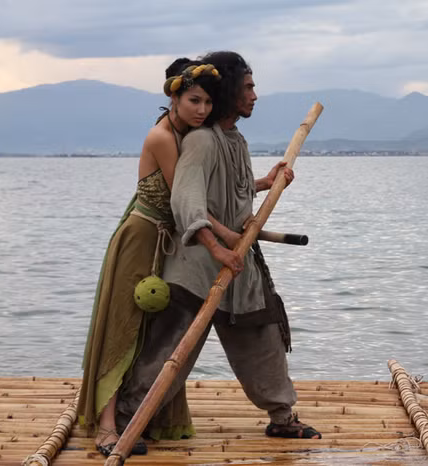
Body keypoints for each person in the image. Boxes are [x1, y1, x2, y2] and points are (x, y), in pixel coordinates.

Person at [154, 50, 322, 440]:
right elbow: (187, 201)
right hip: (196, 268)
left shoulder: (235, 140)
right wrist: (216, 247)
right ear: (229, 90)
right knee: (171, 351)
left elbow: (233, 193)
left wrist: (266, 182)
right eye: (247, 87)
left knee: (262, 333)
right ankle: (133, 417)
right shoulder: (201, 141)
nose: (254, 95)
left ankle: (282, 416)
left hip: (238, 262)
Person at [77, 57, 239, 458]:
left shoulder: (190, 135)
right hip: (140, 239)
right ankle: (107, 428)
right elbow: (187, 198)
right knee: (123, 330)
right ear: (174, 98)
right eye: (194, 101)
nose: (202, 110)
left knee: (154, 333)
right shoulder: (163, 137)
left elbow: (200, 190)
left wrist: (261, 182)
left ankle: (147, 416)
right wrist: (222, 237)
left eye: (207, 103)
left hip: (168, 243)